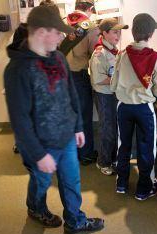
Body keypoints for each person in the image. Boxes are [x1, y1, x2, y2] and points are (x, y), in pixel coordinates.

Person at [4, 5, 104, 233]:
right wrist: (39, 154)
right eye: (58, 32)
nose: (62, 37)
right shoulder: (17, 69)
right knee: (42, 183)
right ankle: (36, 208)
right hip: (39, 144)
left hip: (66, 136)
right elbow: (19, 120)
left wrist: (78, 126)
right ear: (41, 32)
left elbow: (70, 94)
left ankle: (75, 220)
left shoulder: (58, 58)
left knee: (72, 182)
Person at [110, 13, 157, 201]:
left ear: (133, 31)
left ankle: (121, 183)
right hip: (144, 109)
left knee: (123, 145)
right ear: (151, 33)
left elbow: (113, 84)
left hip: (124, 107)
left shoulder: (122, 55)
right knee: (146, 148)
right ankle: (143, 189)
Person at [59, 0, 100, 165]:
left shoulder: (60, 22)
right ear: (90, 9)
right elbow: (95, 55)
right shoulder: (90, 27)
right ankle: (85, 154)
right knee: (83, 116)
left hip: (59, 76)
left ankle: (66, 154)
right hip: (78, 78)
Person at [89, 18, 129, 176]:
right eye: (114, 32)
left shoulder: (113, 49)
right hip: (104, 95)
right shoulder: (100, 53)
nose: (118, 35)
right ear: (104, 33)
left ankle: (111, 158)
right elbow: (98, 79)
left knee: (114, 128)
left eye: (119, 32)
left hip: (113, 94)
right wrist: (119, 79)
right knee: (107, 130)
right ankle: (103, 162)